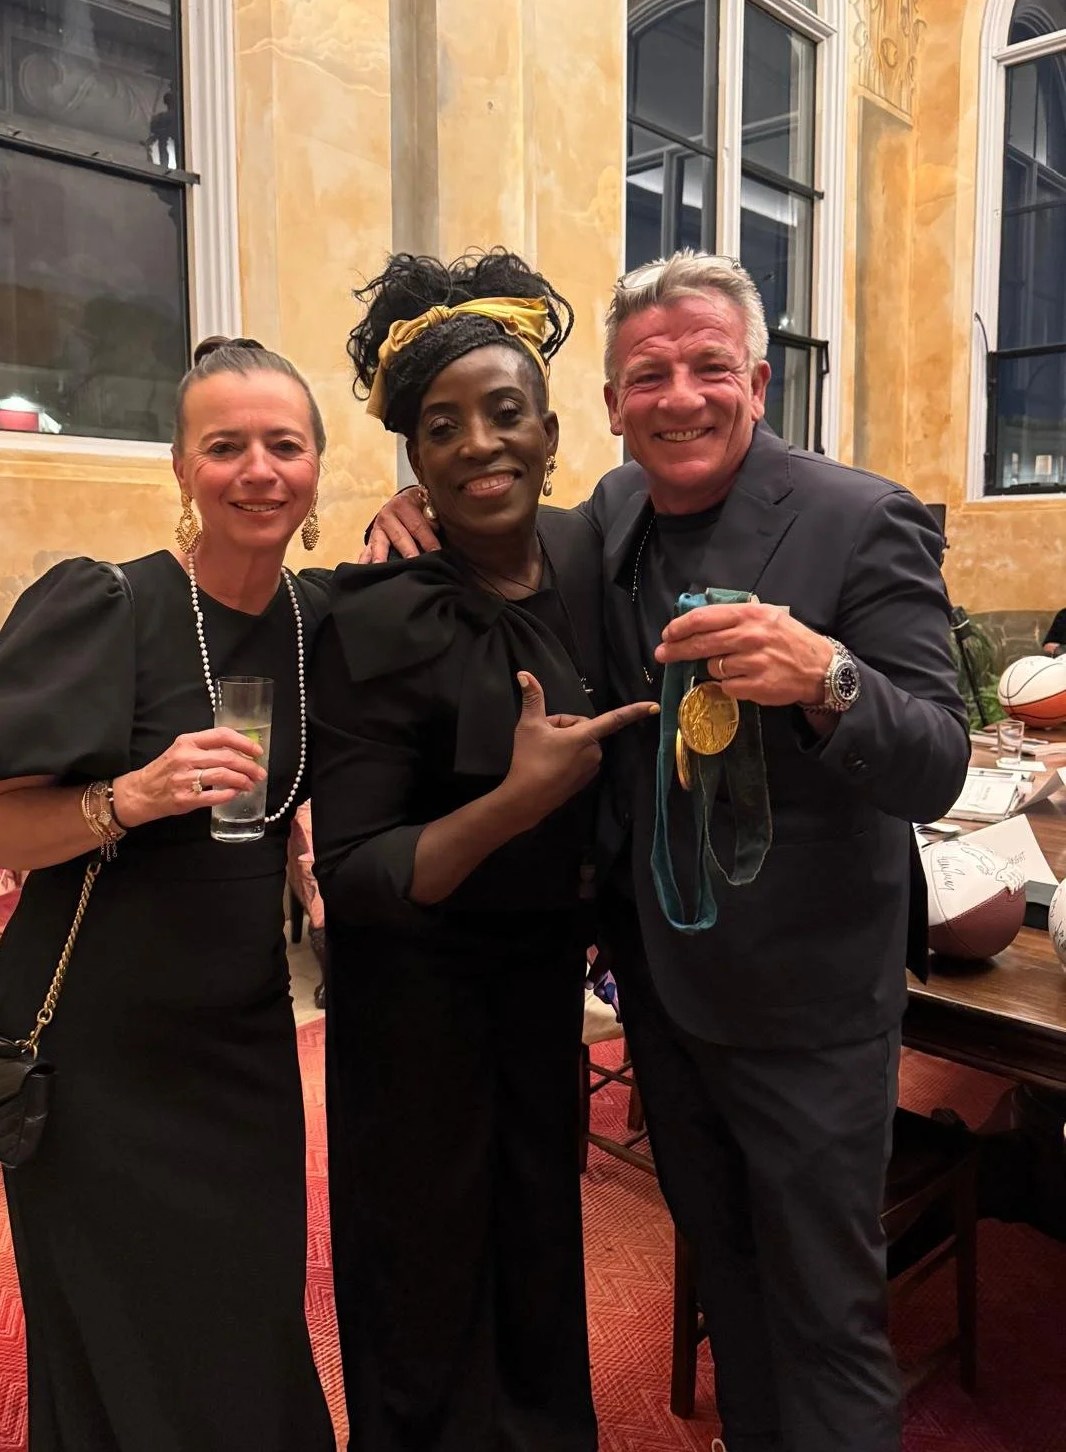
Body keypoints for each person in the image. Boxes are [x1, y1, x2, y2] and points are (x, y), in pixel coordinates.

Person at [365, 250, 971, 1452]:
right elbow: (513, 532)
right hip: (665, 990)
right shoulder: (616, 508)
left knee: (828, 1312)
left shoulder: (862, 518)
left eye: (708, 368)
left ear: (756, 378)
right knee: (731, 1282)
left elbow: (939, 756)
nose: (679, 396)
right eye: (649, 374)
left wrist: (829, 677)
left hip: (809, 1010)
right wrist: (420, 517)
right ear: (609, 404)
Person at [0, 338, 336, 1452]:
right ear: (181, 468)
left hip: (242, 1035)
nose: (257, 469)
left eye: (283, 445)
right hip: (95, 1041)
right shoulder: (109, 605)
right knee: (122, 1318)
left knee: (246, 1309)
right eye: (225, 446)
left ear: (316, 470)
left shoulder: (315, 621)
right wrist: (125, 798)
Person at [308, 249, 658, 1452]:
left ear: (552, 432)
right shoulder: (372, 612)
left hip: (536, 983)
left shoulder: (589, 557)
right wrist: (513, 802)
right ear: (413, 462)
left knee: (535, 1247)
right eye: (441, 429)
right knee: (426, 1275)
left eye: (503, 413)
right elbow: (351, 875)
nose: (477, 445)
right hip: (412, 1005)